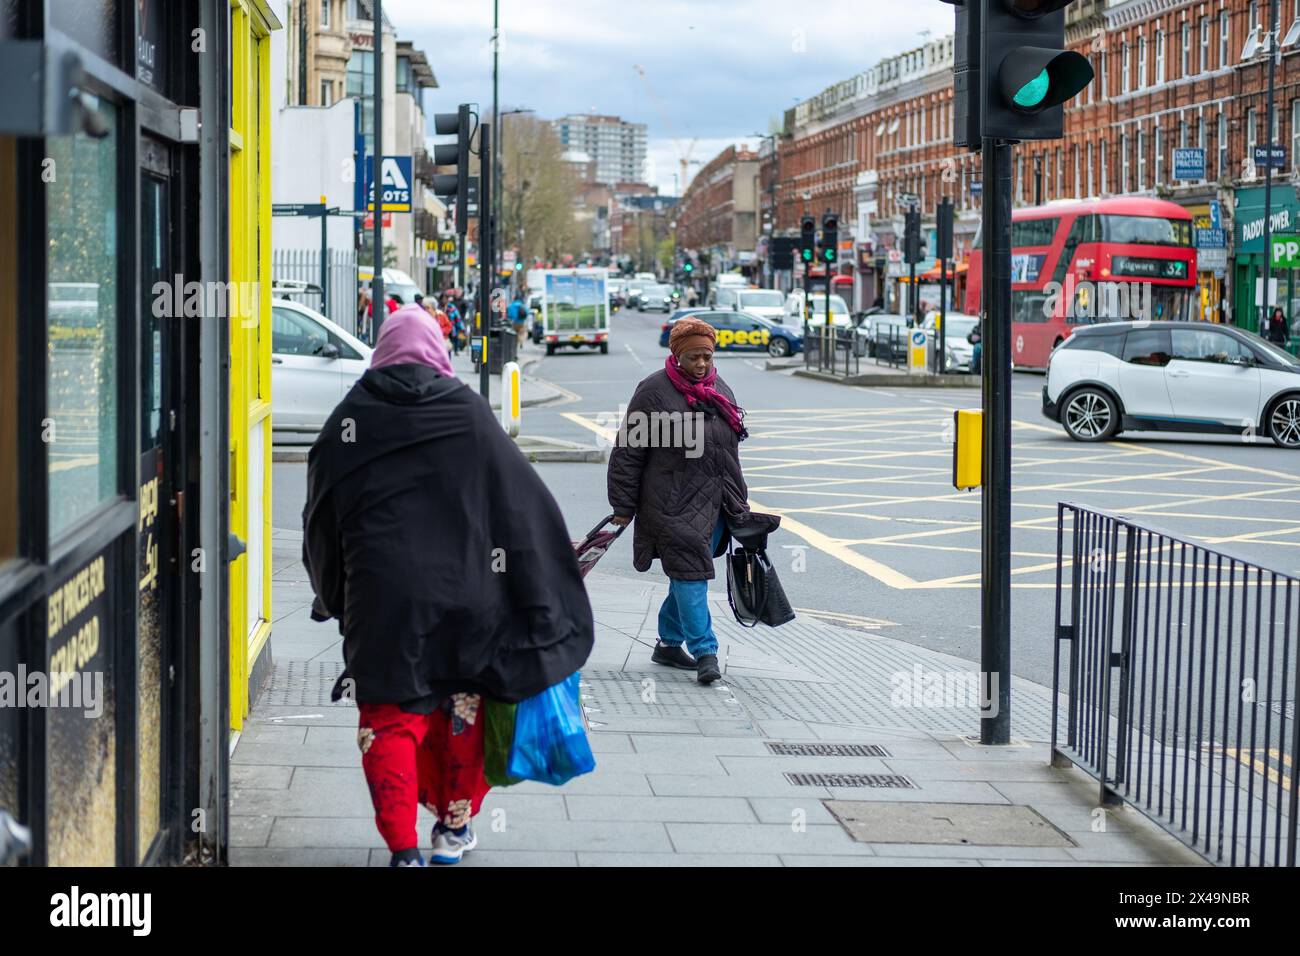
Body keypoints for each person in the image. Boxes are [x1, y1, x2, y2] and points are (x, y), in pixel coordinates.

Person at [302, 304, 594, 866]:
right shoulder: (467, 412)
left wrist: (336, 596)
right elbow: (523, 507)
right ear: (437, 350)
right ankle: (451, 832)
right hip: (470, 602)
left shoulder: (350, 418)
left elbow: (320, 518)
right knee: (461, 717)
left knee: (389, 720)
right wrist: (542, 594)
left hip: (383, 603)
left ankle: (402, 849)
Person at [606, 317, 773, 685]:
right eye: (694, 357)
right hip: (670, 504)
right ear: (677, 355)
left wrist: (737, 502)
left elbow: (728, 452)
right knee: (692, 574)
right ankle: (705, 652)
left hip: (714, 504)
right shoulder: (653, 391)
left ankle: (668, 644)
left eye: (707, 357)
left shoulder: (719, 388)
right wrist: (622, 507)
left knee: (686, 576)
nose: (701, 365)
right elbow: (628, 452)